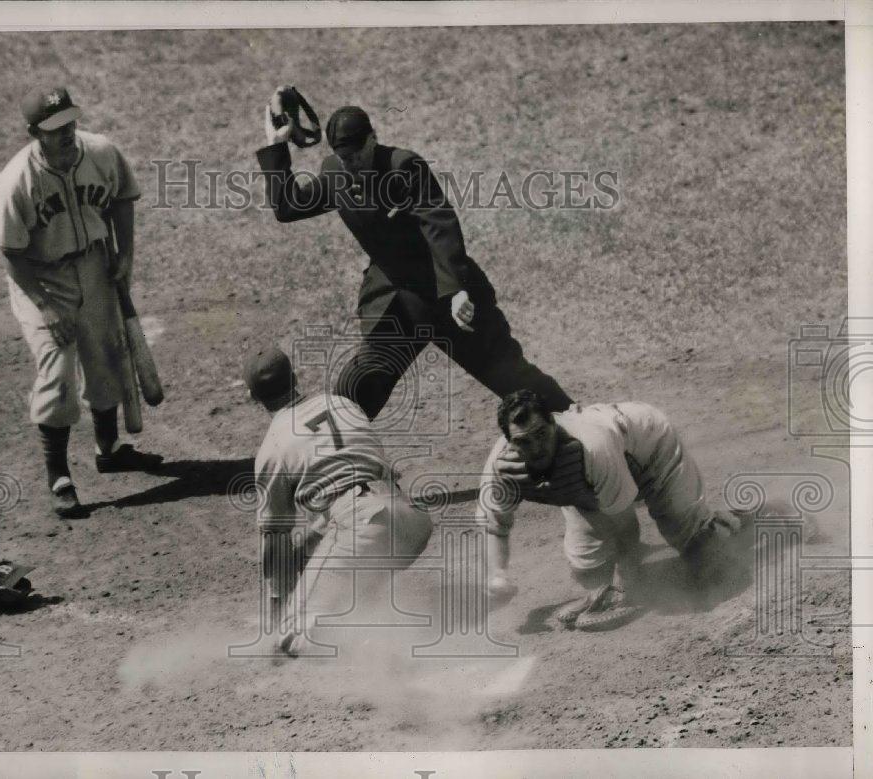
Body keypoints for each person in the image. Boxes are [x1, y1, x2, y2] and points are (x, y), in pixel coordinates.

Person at [256, 91, 573, 421]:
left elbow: (439, 225)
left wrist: (456, 290)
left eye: (356, 154)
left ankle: (579, 426)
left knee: (511, 378)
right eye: (343, 156)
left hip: (446, 296)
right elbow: (288, 206)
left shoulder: (403, 166)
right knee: (357, 389)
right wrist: (277, 145)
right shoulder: (336, 174)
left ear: (373, 140)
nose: (351, 163)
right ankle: (333, 459)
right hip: (400, 303)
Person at [0, 86, 161, 519]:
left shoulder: (101, 152)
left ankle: (109, 450)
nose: (67, 132)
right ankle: (59, 477)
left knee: (105, 357)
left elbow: (122, 197)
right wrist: (45, 306)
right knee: (57, 370)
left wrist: (125, 255)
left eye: (70, 122)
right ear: (34, 133)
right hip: (40, 278)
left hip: (95, 266)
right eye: (54, 128)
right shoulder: (17, 182)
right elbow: (9, 251)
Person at [476, 390, 755, 631]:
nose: (536, 448)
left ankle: (732, 525)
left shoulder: (591, 447)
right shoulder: (501, 467)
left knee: (703, 555)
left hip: (650, 447)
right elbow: (494, 525)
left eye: (540, 434)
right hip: (591, 488)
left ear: (553, 423)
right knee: (588, 571)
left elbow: (624, 525)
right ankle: (615, 584)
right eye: (524, 441)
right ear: (508, 441)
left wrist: (632, 586)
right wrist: (498, 574)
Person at [245, 346, 434, 657]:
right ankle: (364, 621)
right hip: (411, 521)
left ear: (253, 397)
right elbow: (364, 480)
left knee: (291, 636)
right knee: (324, 556)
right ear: (294, 377)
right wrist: (306, 548)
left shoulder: (273, 446)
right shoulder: (342, 404)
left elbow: (274, 537)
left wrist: (280, 608)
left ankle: (383, 665)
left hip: (364, 527)